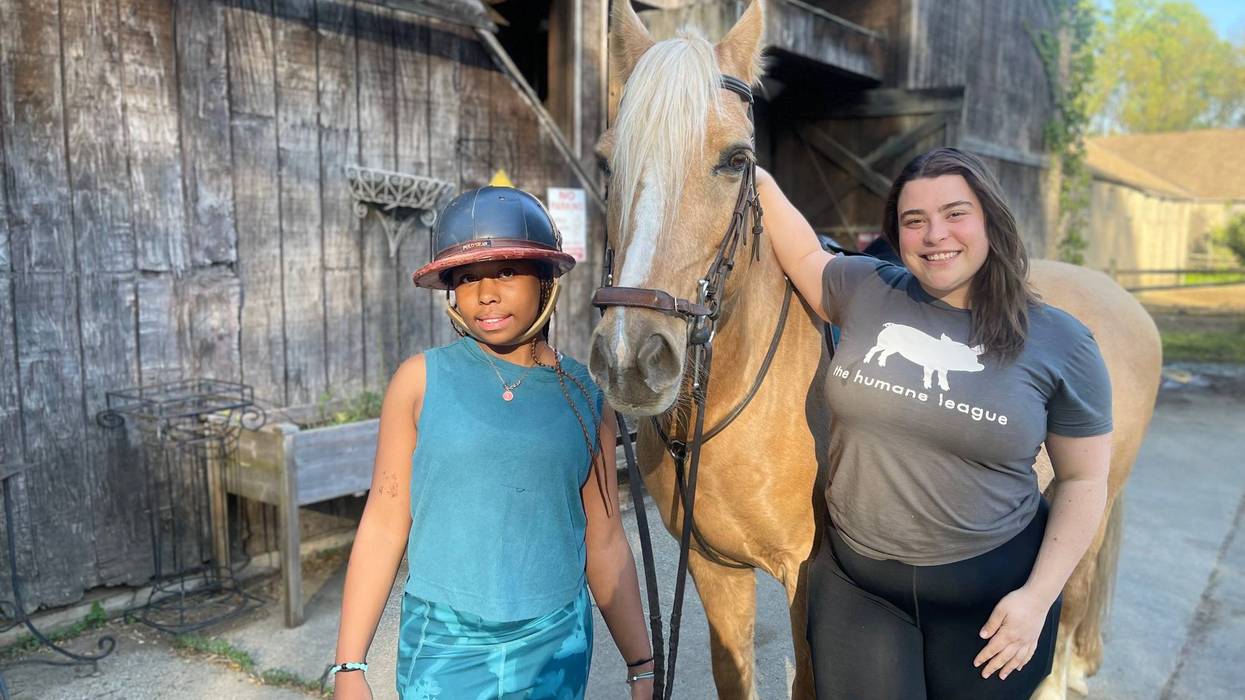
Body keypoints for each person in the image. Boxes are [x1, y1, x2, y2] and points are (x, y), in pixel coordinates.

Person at [758, 148, 1113, 699]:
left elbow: (1086, 481)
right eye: (913, 220)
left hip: (990, 596)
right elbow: (803, 252)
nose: (934, 235)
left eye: (955, 213)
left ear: (991, 220)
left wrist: (1038, 597)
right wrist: (748, 169)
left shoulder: (1061, 342)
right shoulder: (866, 289)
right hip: (861, 590)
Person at [329, 186, 653, 700]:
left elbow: (606, 541)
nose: (486, 294)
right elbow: (384, 524)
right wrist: (349, 665)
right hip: (443, 646)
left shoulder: (586, 396)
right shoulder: (419, 383)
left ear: (546, 278)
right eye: (466, 278)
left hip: (554, 645)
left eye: (505, 271)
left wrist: (642, 665)